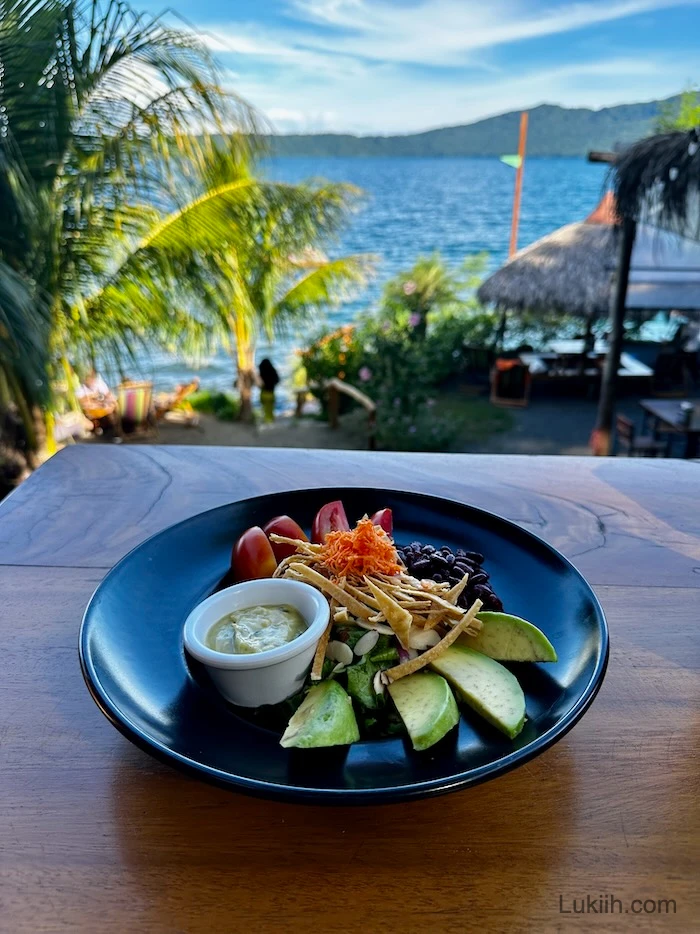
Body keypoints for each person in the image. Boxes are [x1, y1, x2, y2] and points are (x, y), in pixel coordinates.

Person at [76, 368, 119, 437]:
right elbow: (83, 402)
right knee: (106, 410)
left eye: (92, 377)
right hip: (91, 410)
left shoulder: (98, 383)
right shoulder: (81, 387)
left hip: (101, 407)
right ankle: (111, 431)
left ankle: (115, 431)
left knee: (113, 407)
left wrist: (109, 401)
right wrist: (94, 399)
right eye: (89, 377)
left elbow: (108, 394)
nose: (91, 379)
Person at [258, 358, 280, 423]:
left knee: (265, 409)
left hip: (263, 393)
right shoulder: (273, 371)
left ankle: (267, 420)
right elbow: (277, 380)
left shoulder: (261, 372)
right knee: (271, 408)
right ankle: (271, 420)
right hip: (271, 392)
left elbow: (259, 384)